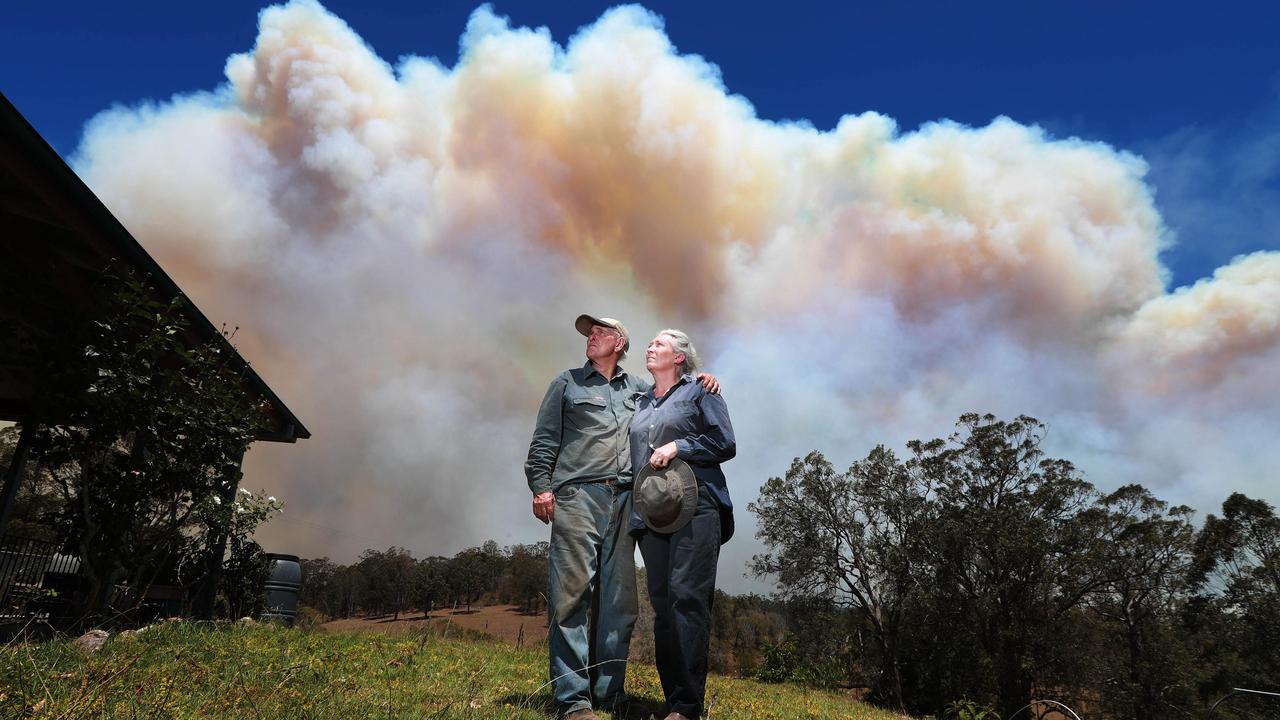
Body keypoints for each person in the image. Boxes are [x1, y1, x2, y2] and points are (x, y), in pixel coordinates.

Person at [525, 314, 718, 720]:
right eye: (588, 333)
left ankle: (609, 694)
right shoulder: (566, 383)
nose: (590, 338)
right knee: (571, 597)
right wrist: (541, 487)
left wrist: (705, 379)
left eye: (598, 333)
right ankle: (573, 701)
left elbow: (676, 398)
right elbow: (544, 439)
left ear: (618, 343)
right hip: (578, 495)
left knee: (619, 603)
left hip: (629, 501)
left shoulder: (641, 391)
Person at [630, 329, 736, 720]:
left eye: (659, 344)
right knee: (662, 606)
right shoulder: (639, 402)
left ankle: (689, 708)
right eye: (650, 343)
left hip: (698, 506)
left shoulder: (700, 392)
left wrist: (680, 446)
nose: (650, 347)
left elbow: (725, 442)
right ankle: (674, 700)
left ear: (679, 357)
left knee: (687, 600)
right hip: (653, 513)